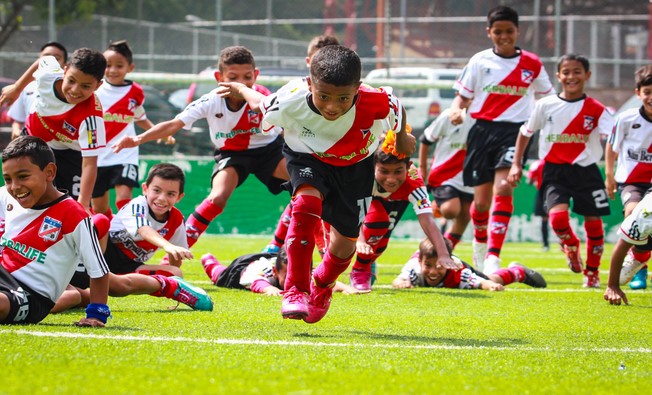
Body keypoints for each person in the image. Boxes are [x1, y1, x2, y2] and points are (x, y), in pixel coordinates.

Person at [220, 44, 426, 324]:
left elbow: (396, 106)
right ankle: (295, 290)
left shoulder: (376, 100)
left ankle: (323, 284)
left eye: (343, 98)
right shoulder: (290, 98)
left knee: (344, 247)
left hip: (356, 169)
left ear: (358, 88)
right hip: (307, 158)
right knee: (305, 204)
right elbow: (259, 102)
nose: (332, 106)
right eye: (324, 96)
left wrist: (402, 138)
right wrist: (240, 89)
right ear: (309, 83)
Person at [112, 46, 287, 250]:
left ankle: (281, 245)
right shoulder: (212, 100)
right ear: (219, 77)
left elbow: (275, 117)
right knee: (217, 198)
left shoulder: (261, 95)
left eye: (247, 77)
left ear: (256, 75)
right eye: (233, 77)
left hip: (269, 150)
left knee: (303, 189)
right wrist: (137, 139)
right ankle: (178, 250)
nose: (240, 84)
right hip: (233, 154)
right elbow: (173, 124)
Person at [449, 5, 554, 274]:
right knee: (481, 202)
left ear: (518, 31)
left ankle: (494, 254)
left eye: (509, 31)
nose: (504, 36)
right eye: (498, 32)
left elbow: (547, 97)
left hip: (515, 132)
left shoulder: (532, 63)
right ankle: (481, 248)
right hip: (482, 131)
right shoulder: (480, 61)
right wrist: (457, 108)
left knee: (505, 188)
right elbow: (463, 95)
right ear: (489, 33)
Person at [508, 54, 614, 288]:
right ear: (558, 76)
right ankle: (572, 246)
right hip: (554, 171)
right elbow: (525, 133)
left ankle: (592, 273)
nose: (571, 77)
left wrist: (611, 173)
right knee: (557, 219)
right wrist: (516, 163)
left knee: (594, 221)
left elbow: (614, 140)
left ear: (587, 75)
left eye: (577, 72)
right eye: (566, 72)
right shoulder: (545, 105)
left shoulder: (597, 109)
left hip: (587, 172)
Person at [61, 163, 214, 312]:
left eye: (170, 194)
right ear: (145, 189)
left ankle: (173, 288)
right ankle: (91, 276)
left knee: (175, 274)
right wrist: (167, 245)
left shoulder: (176, 220)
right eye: (157, 190)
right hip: (105, 250)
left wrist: (174, 262)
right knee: (100, 221)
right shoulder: (138, 204)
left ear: (179, 197)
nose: (161, 198)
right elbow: (143, 230)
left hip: (130, 265)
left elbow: (175, 258)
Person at [0, 136, 111, 327]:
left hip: (32, 296)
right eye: (8, 179)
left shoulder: (74, 215)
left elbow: (98, 270)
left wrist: (96, 314)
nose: (15, 187)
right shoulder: (6, 196)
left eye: (23, 176)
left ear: (49, 172)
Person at [262, 34, 341, 255]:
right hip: (305, 158)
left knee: (333, 207)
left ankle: (362, 254)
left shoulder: (348, 92)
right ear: (308, 62)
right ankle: (282, 247)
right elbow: (271, 114)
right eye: (316, 61)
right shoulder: (295, 90)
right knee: (305, 200)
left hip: (339, 160)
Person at [0, 48, 107, 211]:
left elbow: (89, 164)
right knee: (22, 192)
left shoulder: (92, 118)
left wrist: (83, 204)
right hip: (32, 141)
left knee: (69, 209)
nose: (75, 90)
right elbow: (44, 60)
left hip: (69, 155)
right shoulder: (48, 76)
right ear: (64, 71)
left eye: (85, 86)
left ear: (98, 85)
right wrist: (17, 87)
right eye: (71, 80)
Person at [350, 141, 459, 291]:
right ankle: (360, 270)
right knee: (377, 221)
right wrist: (360, 240)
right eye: (384, 171)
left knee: (381, 243)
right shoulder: (363, 173)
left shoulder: (414, 183)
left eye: (398, 171)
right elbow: (353, 210)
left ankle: (367, 263)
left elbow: (427, 220)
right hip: (364, 200)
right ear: (374, 165)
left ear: (408, 168)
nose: (391, 179)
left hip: (395, 200)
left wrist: (443, 254)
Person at [92, 40, 158, 219]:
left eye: (119, 66)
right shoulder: (94, 89)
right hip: (97, 155)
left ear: (130, 67)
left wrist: (158, 133)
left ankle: (126, 232)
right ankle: (110, 232)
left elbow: (140, 117)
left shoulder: (135, 92)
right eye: (108, 65)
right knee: (98, 209)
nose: (113, 70)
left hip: (125, 153)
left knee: (123, 197)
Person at [604, 65, 652, 290]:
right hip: (632, 182)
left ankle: (641, 257)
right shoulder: (625, 119)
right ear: (638, 93)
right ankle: (640, 270)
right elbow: (612, 147)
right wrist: (609, 175)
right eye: (648, 92)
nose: (651, 97)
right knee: (632, 215)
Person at [200, 247, 368, 296]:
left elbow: (320, 280)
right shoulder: (262, 271)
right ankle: (209, 260)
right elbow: (255, 281)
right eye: (289, 276)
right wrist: (270, 289)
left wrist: (347, 288)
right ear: (275, 271)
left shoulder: (301, 269)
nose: (297, 279)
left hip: (277, 259)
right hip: (241, 269)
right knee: (217, 275)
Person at [418, 107, 474, 251]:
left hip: (469, 177)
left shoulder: (486, 119)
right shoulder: (449, 116)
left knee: (465, 216)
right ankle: (438, 204)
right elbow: (425, 139)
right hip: (445, 175)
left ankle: (443, 251)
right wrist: (423, 167)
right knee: (450, 210)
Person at [392, 238, 546, 291]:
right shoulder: (414, 268)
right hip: (427, 255)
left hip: (455, 262)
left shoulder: (458, 273)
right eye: (428, 266)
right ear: (420, 262)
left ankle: (518, 272)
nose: (433, 272)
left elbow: (481, 282)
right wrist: (401, 283)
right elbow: (398, 280)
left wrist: (491, 286)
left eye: (439, 267)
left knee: (490, 278)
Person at [7, 42, 68, 140]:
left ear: (65, 65)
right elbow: (18, 119)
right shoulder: (26, 87)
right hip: (32, 145)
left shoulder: (68, 89)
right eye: (45, 57)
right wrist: (16, 130)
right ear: (38, 60)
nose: (49, 62)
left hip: (60, 146)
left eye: (56, 58)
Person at [604, 192, 652, 305]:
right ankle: (639, 255)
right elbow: (623, 245)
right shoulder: (646, 215)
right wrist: (613, 285)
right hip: (646, 237)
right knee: (620, 278)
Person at [526, 159, 550, 252]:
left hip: (542, 193)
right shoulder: (555, 162)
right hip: (556, 191)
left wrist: (533, 180)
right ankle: (565, 243)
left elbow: (530, 181)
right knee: (559, 216)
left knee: (544, 219)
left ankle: (545, 244)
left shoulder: (536, 164)